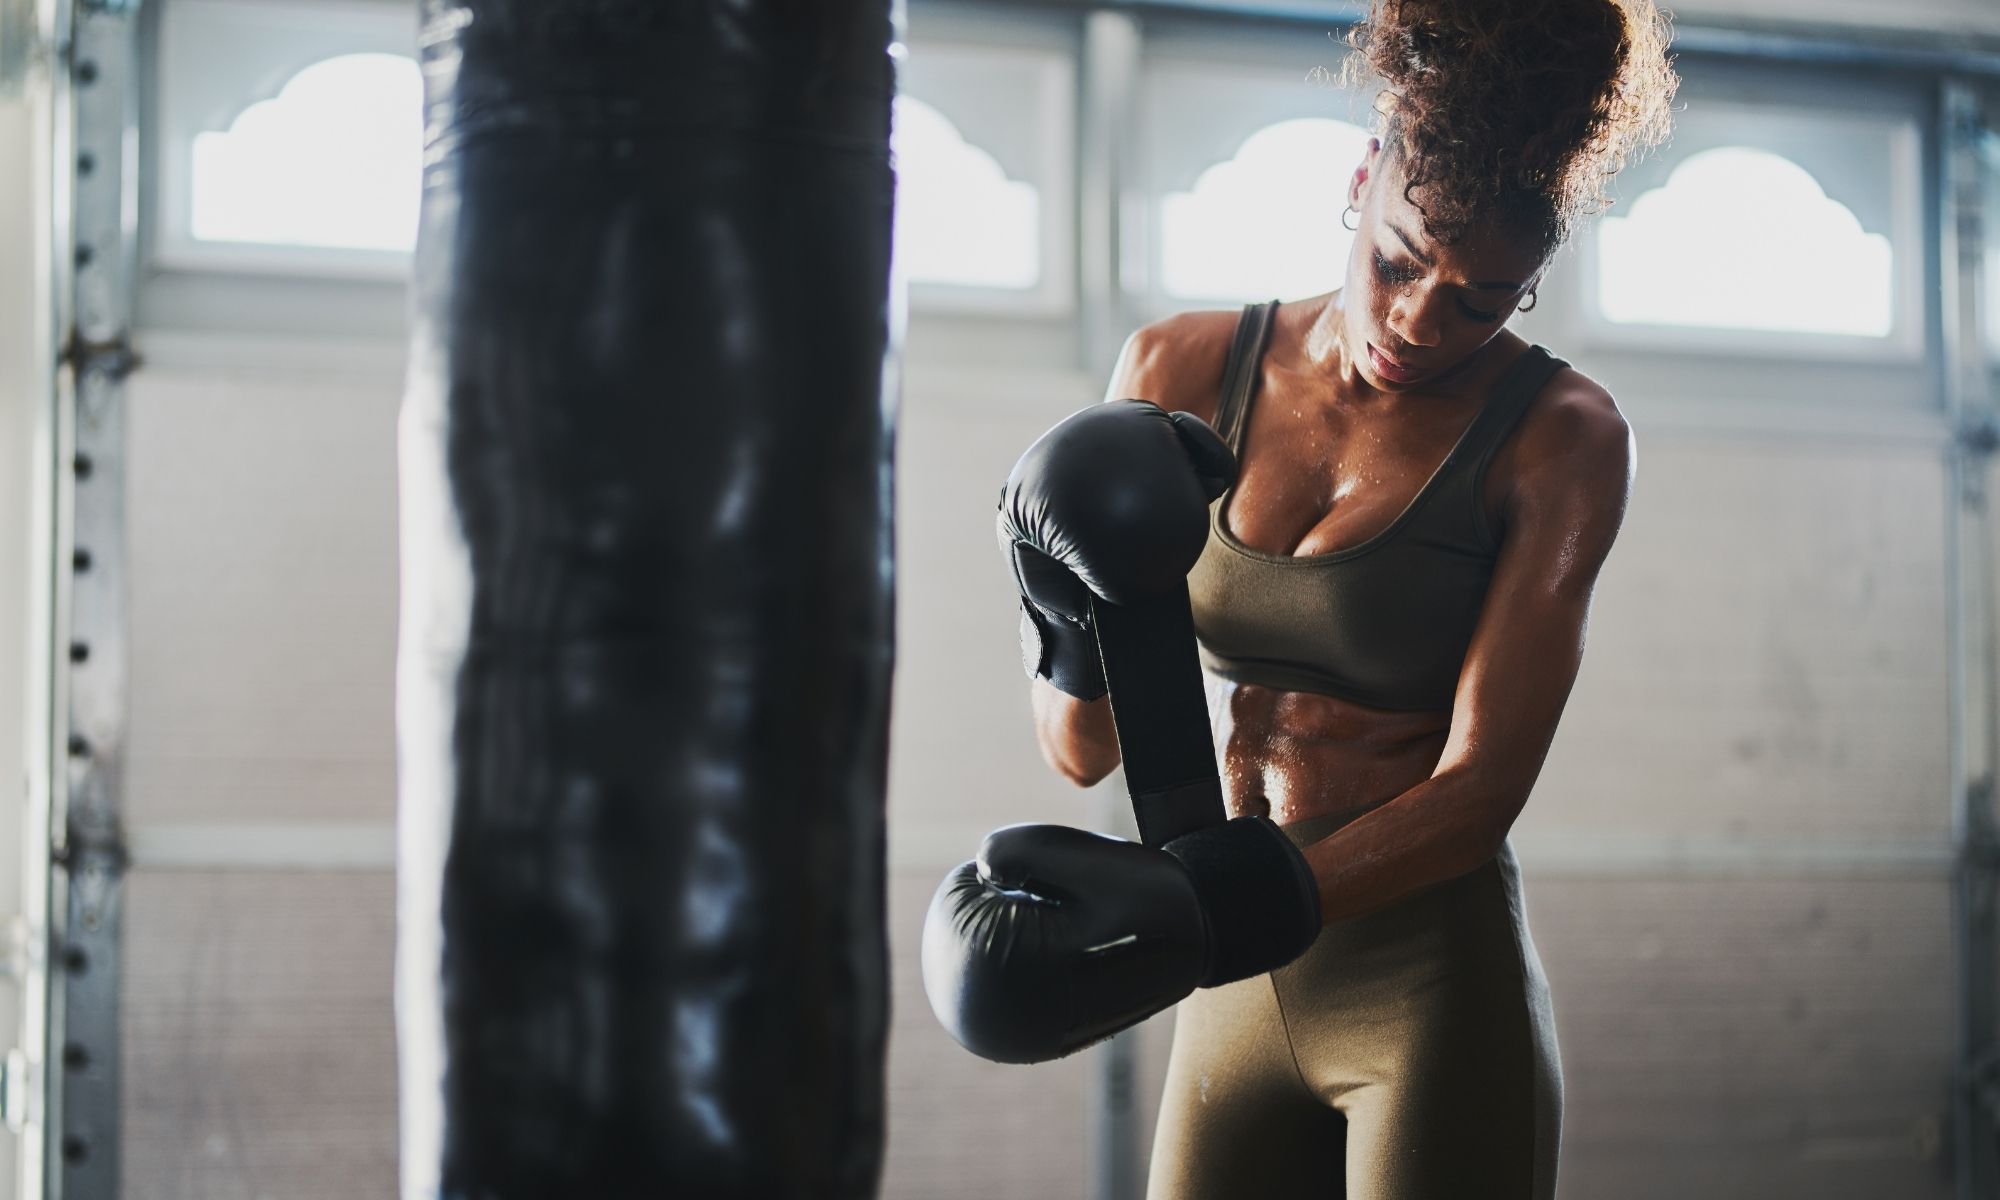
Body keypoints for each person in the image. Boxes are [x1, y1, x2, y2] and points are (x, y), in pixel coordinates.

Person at [1025, 2, 1677, 1196]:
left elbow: (1478, 792)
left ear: (1532, 280)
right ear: (1361, 178)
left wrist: (1215, 909)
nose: (1421, 324)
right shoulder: (1175, 369)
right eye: (1397, 259)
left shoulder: (1558, 438)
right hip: (1230, 966)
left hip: (1420, 981)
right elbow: (1081, 753)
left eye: (1482, 300)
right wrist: (1061, 617)